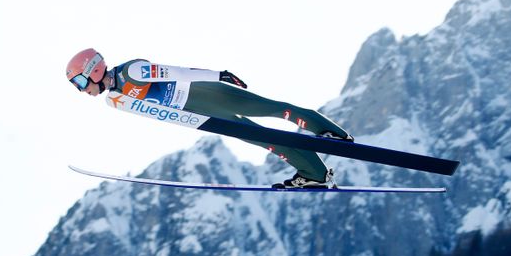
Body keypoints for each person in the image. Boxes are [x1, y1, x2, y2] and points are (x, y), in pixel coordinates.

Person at [66, 48, 354, 189]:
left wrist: (218, 75)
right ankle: (315, 174)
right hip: (201, 112)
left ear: (93, 70)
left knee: (275, 109)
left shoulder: (132, 72)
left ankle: (328, 132)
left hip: (206, 93)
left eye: (80, 83)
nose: (82, 91)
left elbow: (177, 72)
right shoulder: (116, 97)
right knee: (265, 140)